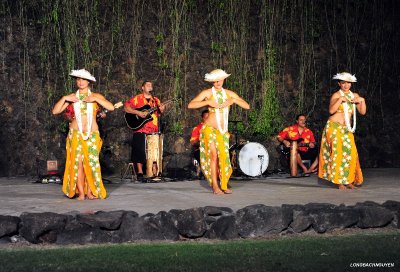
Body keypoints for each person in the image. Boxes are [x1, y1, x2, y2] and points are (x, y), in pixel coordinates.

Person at [52, 69, 115, 200]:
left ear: (89, 82)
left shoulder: (96, 96)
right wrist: (65, 98)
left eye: (83, 79)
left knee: (91, 163)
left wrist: (95, 98)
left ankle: (90, 191)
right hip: (76, 134)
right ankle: (81, 192)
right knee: (78, 163)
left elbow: (111, 107)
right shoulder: (72, 97)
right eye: (78, 79)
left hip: (92, 134)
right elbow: (55, 111)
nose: (80, 82)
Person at [188, 69, 250, 195]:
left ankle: (223, 184)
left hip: (222, 131)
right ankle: (215, 186)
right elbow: (191, 105)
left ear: (223, 79)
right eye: (215, 81)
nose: (218, 83)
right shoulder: (207, 93)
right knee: (213, 156)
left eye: (220, 80)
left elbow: (246, 106)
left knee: (224, 157)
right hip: (209, 129)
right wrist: (207, 102)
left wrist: (233, 101)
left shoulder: (228, 93)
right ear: (212, 81)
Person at [318, 72, 367, 190]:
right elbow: (331, 111)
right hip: (334, 127)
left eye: (348, 83)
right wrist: (340, 99)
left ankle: (349, 181)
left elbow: (362, 112)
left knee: (351, 154)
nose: (346, 85)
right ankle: (339, 182)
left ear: (351, 84)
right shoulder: (336, 95)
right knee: (338, 154)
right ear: (339, 83)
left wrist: (362, 100)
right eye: (343, 83)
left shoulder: (354, 95)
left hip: (346, 129)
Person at [124, 80, 165, 180]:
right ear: (142, 88)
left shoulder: (155, 100)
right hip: (140, 128)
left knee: (153, 150)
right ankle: (140, 172)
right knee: (139, 149)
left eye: (151, 85)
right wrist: (137, 113)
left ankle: (154, 171)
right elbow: (126, 108)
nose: (150, 86)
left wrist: (162, 108)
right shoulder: (137, 99)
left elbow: (160, 112)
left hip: (153, 129)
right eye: (147, 85)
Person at [190, 109, 209, 177]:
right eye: (206, 118)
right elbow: (193, 142)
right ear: (202, 118)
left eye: (209, 118)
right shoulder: (197, 128)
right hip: (200, 150)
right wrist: (202, 142)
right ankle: (204, 173)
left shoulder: (214, 128)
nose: (208, 119)